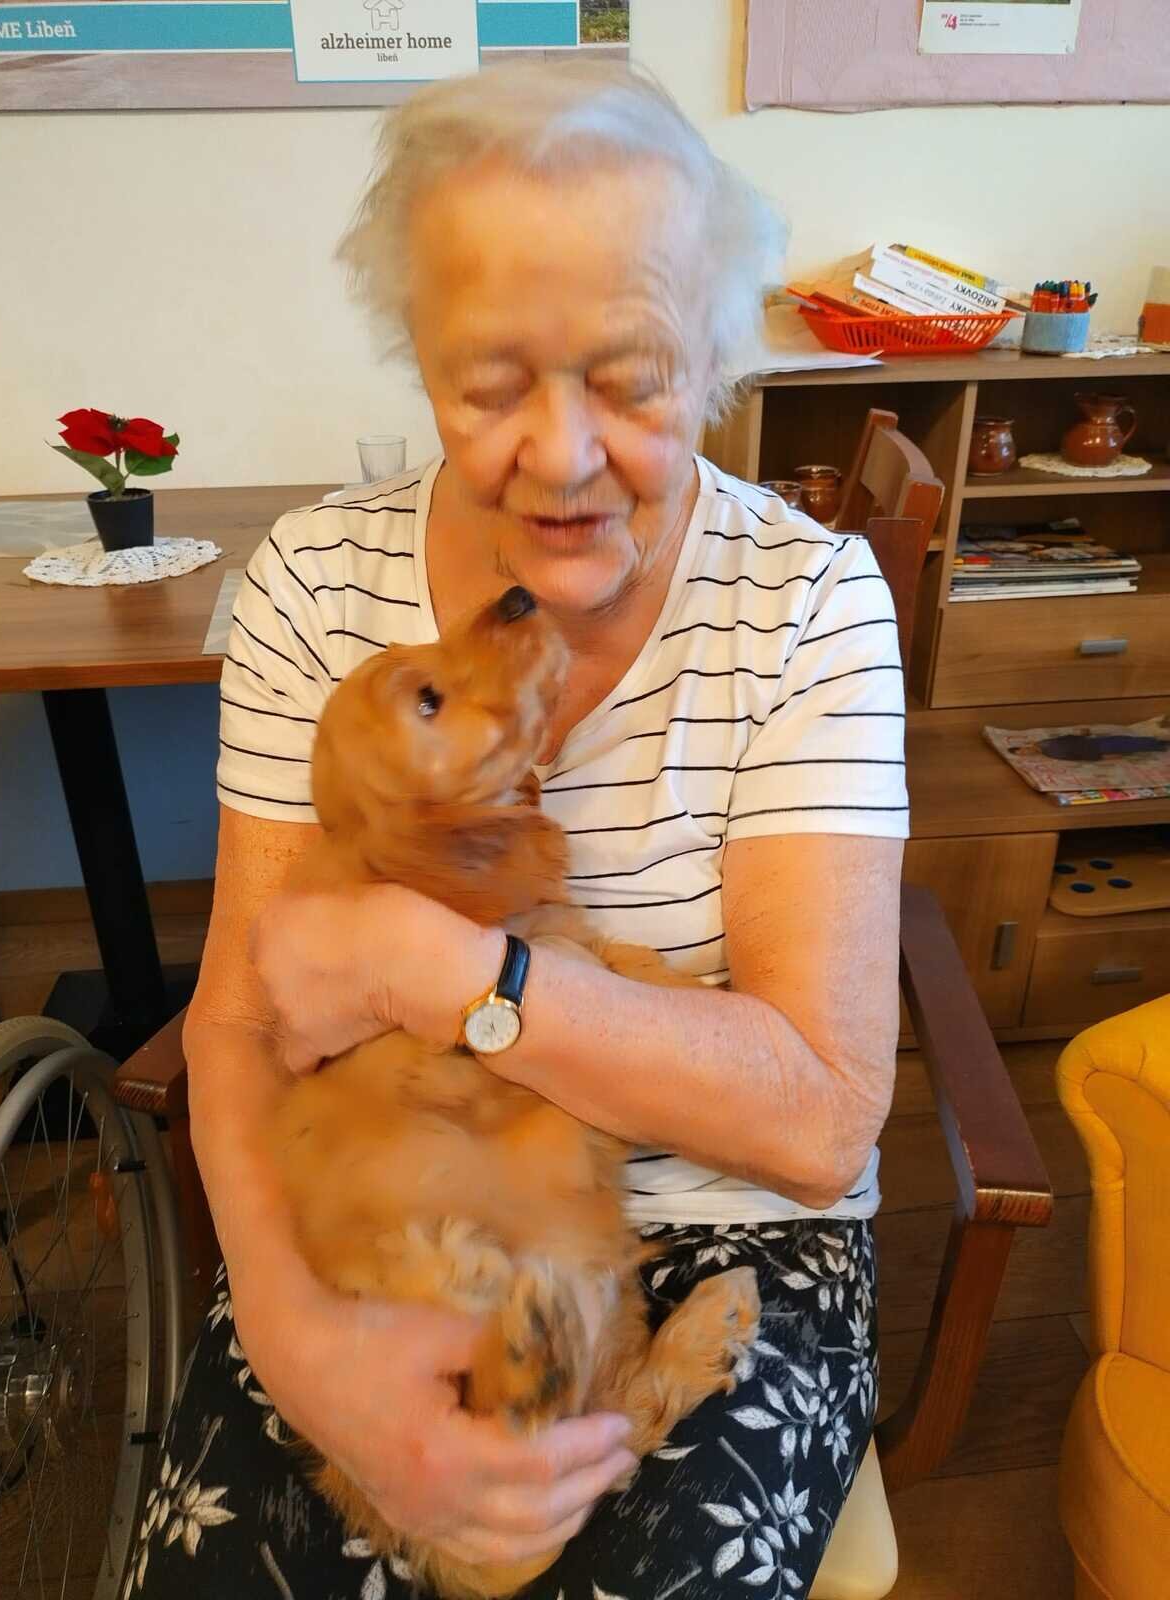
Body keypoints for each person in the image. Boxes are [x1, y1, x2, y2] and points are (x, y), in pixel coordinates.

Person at [133, 59, 905, 1600]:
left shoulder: (806, 607)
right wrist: (297, 1337)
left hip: (723, 1233)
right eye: (489, 384)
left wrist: (446, 977)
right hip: (376, 1221)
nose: (558, 457)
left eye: (630, 377)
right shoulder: (313, 586)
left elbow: (820, 1123)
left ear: (717, 356)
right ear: (415, 356)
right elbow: (239, 1022)